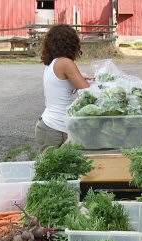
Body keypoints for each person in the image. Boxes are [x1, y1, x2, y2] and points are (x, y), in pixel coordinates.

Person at [36, 24, 91, 152]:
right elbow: (88, 91)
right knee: (53, 171)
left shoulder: (53, 63)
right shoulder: (65, 63)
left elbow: (62, 83)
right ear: (70, 43)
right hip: (54, 129)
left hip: (51, 127)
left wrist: (80, 78)